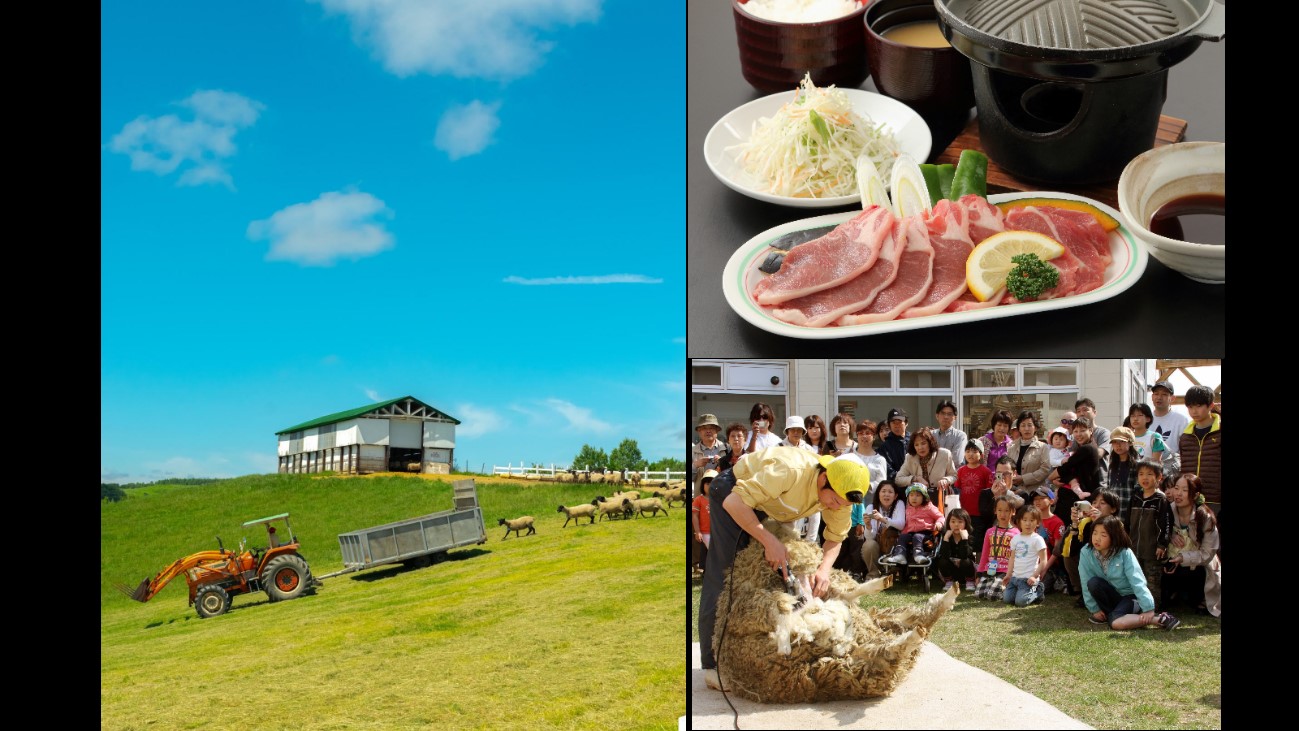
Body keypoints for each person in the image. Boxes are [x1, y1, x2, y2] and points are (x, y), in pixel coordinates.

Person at [697, 447, 870, 685]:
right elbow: (736, 502)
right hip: (733, 493)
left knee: (783, 570)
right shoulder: (790, 470)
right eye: (834, 501)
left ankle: (759, 646)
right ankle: (712, 665)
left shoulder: (842, 496)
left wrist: (824, 570)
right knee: (726, 572)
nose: (835, 508)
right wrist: (769, 541)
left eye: (842, 504)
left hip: (771, 506)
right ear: (823, 479)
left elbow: (836, 537)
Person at [1079, 515, 1181, 631]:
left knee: (1116, 623)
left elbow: (1137, 580)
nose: (1097, 538)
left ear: (1114, 537)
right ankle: (1114, 615)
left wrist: (1148, 608)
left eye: (1103, 535)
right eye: (1095, 533)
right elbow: (1084, 580)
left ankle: (1159, 619)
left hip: (1130, 597)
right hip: (1113, 596)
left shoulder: (1124, 553)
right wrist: (1094, 609)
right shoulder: (1086, 552)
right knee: (1093, 582)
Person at [1162, 473, 1221, 617]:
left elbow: (1208, 553)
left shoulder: (1205, 517)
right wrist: (1169, 535)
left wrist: (1183, 558)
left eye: (1185, 490)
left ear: (1195, 495)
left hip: (1200, 567)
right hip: (1173, 561)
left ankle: (1199, 598)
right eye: (1176, 488)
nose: (1178, 494)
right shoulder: (1167, 509)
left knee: (1194, 576)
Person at [1127, 460, 1172, 611]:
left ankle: (1153, 609)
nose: (1144, 478)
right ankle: (1137, 607)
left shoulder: (1161, 499)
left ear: (1159, 477)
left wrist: (1162, 544)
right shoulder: (1135, 497)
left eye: (1149, 474)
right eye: (1141, 474)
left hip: (1152, 550)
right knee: (1135, 579)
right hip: (1133, 547)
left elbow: (1166, 524)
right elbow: (1127, 521)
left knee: (1152, 581)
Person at [1048, 416, 1104, 524]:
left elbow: (1066, 467)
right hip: (1074, 496)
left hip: (1081, 497)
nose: (1078, 434)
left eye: (1083, 430)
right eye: (1075, 431)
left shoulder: (1087, 448)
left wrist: (1051, 477)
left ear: (1091, 430)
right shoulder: (1079, 449)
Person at [1178, 385, 1221, 522]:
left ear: (1210, 405)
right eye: (1190, 407)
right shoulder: (1185, 436)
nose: (1194, 411)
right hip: (1191, 499)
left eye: (1198, 406)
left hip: (1216, 501)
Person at [894, 427, 957, 513]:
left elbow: (954, 475)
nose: (920, 447)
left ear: (930, 443)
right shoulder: (910, 457)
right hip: (918, 502)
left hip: (940, 499)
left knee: (940, 523)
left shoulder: (944, 454)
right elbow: (898, 479)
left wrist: (946, 480)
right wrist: (915, 478)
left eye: (923, 443)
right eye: (916, 445)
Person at [884, 483, 945, 565]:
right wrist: (903, 533)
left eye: (917, 495)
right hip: (911, 533)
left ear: (924, 497)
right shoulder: (908, 509)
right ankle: (900, 555)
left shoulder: (929, 507)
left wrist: (939, 523)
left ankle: (919, 555)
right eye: (911, 495)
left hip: (926, 533)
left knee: (917, 536)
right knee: (902, 537)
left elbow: (940, 516)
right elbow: (907, 524)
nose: (914, 498)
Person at [974, 494, 1020, 601]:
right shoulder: (990, 532)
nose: (1002, 514)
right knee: (979, 595)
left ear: (1013, 512)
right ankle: (994, 585)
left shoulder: (1016, 533)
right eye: (999, 510)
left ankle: (1009, 588)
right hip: (990, 570)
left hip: (1005, 571)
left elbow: (1017, 557)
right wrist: (979, 574)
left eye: (1007, 511)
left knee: (992, 596)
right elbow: (985, 554)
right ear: (995, 511)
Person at [1003, 505, 1048, 607]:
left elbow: (1044, 560)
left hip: (1028, 580)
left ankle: (1038, 591)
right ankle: (1020, 592)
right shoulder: (1015, 538)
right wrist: (1008, 574)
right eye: (1025, 520)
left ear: (1038, 522)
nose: (1028, 523)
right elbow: (1012, 558)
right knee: (1007, 599)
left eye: (1032, 520)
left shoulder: (1038, 539)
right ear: (1019, 521)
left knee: (1021, 602)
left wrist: (1034, 576)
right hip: (1015, 578)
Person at [860, 479, 905, 578]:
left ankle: (892, 572)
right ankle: (873, 575)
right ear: (878, 494)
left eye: (890, 492)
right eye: (883, 491)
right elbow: (869, 537)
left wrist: (883, 519)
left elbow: (901, 524)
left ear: (895, 495)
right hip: (878, 545)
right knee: (869, 545)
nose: (886, 495)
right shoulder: (871, 507)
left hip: (895, 545)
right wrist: (868, 526)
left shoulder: (899, 504)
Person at [956, 439, 994, 548]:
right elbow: (957, 489)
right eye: (967, 451)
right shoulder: (961, 471)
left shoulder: (986, 472)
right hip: (964, 512)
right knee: (964, 540)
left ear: (981, 455)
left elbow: (989, 493)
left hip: (979, 513)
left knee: (978, 541)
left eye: (974, 451)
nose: (970, 454)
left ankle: (978, 564)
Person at [837, 419, 888, 499]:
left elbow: (881, 483)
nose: (864, 436)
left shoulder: (880, 460)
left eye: (868, 433)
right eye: (860, 433)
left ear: (874, 436)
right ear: (857, 436)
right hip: (847, 500)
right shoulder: (848, 453)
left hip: (870, 503)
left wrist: (865, 484)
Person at [1029, 487, 1067, 594]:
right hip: (1030, 562)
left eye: (1041, 498)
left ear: (1051, 500)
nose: (1037, 501)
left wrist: (1044, 568)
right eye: (1035, 499)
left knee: (1039, 588)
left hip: (1049, 565)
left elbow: (1057, 550)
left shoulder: (1057, 522)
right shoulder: (1029, 519)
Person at [1124, 403, 1175, 477]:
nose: (1135, 419)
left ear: (1148, 419)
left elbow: (1156, 463)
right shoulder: (1126, 437)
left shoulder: (1154, 437)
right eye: (1132, 416)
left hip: (1147, 478)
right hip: (1129, 477)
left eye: (1139, 415)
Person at [1007, 410, 1051, 493]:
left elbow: (1045, 470)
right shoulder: (1011, 447)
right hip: (1015, 492)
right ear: (1019, 428)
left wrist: (1023, 478)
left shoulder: (1043, 447)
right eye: (1023, 425)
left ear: (1036, 428)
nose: (1026, 429)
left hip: (1035, 493)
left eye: (1030, 425)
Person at [934, 507, 978, 591]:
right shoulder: (946, 536)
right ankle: (949, 582)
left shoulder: (970, 537)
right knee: (942, 561)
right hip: (952, 571)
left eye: (960, 522)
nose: (956, 525)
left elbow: (965, 555)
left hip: (966, 570)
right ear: (948, 523)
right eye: (953, 521)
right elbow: (944, 555)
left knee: (966, 561)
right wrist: (946, 539)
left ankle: (970, 581)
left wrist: (964, 539)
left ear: (966, 523)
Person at [1148, 380, 1190, 462]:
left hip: (1172, 469)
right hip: (1147, 470)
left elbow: (1186, 449)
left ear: (1172, 398)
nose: (1159, 397)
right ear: (1152, 397)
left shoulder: (1181, 420)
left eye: (1164, 394)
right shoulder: (1145, 419)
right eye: (1156, 394)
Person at [1059, 499, 1092, 603]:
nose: (1096, 507)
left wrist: (1099, 519)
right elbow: (1069, 550)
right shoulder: (1083, 523)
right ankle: (1081, 591)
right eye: (1095, 503)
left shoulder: (1113, 523)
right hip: (1085, 562)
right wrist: (1075, 523)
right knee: (1068, 555)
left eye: (1102, 503)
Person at [1106, 426, 1141, 517]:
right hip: (1113, 512)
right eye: (1114, 442)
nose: (1118, 445)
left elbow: (1139, 490)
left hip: (1130, 511)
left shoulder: (1137, 464)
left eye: (1121, 441)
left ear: (1130, 443)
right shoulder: (1112, 465)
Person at [692, 414, 726, 496]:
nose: (708, 431)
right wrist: (695, 465)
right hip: (701, 498)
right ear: (699, 431)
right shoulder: (692, 451)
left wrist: (723, 463)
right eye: (704, 428)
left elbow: (733, 475)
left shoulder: (727, 449)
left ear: (717, 431)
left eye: (711, 428)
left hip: (722, 497)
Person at [692, 470, 716, 577]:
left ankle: (715, 573)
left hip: (718, 532)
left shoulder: (720, 500)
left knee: (716, 552)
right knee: (709, 552)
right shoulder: (698, 500)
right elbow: (695, 516)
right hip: (705, 532)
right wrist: (697, 531)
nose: (710, 485)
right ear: (702, 485)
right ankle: (707, 573)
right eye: (707, 483)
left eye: (713, 482)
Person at [879, 408, 910, 480]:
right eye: (893, 422)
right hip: (896, 485)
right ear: (889, 425)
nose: (897, 425)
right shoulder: (885, 446)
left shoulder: (914, 441)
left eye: (899, 422)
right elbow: (888, 470)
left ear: (906, 423)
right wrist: (902, 479)